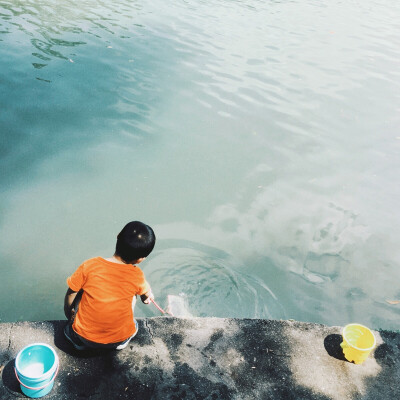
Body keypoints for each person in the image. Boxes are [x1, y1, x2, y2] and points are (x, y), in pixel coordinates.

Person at [63, 221, 155, 351]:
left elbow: (71, 292)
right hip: (119, 339)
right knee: (133, 292)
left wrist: (69, 313)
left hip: (84, 336)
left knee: (82, 289)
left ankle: (76, 340)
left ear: (117, 236)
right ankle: (122, 342)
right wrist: (146, 295)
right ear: (141, 259)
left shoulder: (90, 265)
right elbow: (146, 295)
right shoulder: (137, 275)